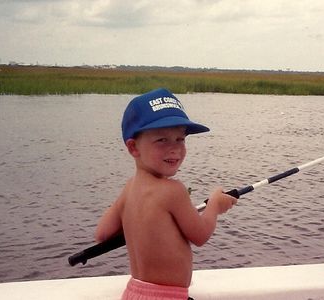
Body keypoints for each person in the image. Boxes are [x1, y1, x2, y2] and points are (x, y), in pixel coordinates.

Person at [95, 88, 237, 300]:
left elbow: (102, 235)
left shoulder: (129, 189)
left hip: (134, 293)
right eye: (162, 140)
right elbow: (200, 236)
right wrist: (215, 205)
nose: (175, 149)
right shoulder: (173, 190)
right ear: (134, 147)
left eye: (180, 139)